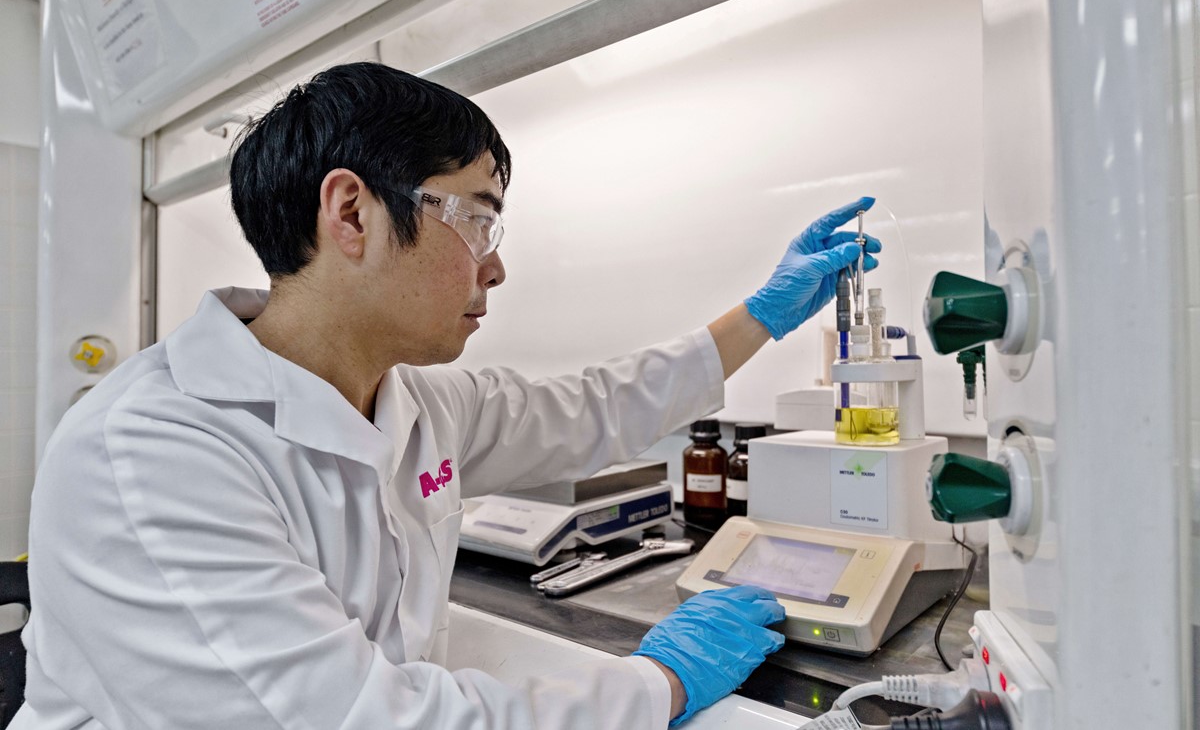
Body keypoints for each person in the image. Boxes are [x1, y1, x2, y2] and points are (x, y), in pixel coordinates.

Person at [13, 62, 879, 729]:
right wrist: (657, 684)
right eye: (476, 218)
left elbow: (594, 408)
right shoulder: (151, 453)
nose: (494, 265)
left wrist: (760, 317)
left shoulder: (414, 403)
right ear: (351, 214)